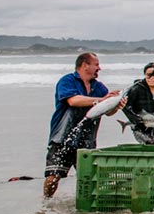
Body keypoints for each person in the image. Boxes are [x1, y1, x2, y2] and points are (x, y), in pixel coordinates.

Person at [42, 52, 126, 198]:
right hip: (62, 137)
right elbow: (73, 101)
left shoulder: (99, 87)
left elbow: (107, 112)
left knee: (89, 177)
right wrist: (101, 100)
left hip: (87, 139)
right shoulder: (67, 81)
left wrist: (116, 105)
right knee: (53, 176)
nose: (99, 68)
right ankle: (46, 203)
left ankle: (85, 204)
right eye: (96, 64)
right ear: (84, 65)